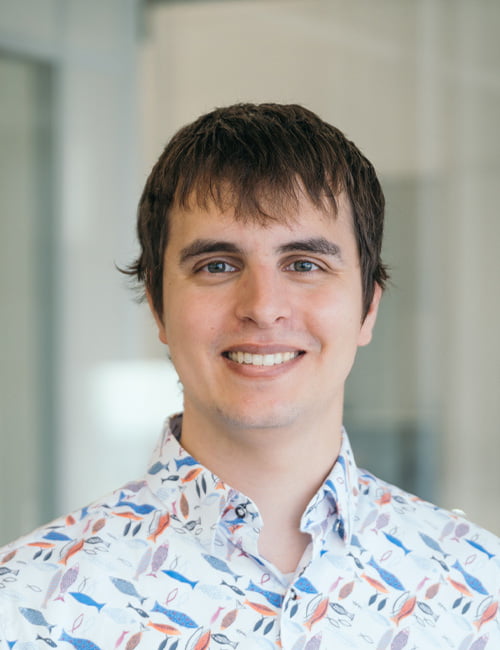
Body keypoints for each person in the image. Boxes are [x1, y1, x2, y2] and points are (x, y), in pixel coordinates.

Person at [1, 103, 499, 649]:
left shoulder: (484, 594)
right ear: (158, 307)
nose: (263, 307)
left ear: (369, 308)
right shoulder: (23, 607)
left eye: (304, 264)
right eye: (217, 265)